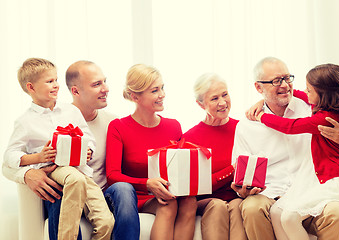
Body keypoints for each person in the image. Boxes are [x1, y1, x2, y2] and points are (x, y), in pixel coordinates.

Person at [231, 57, 339, 240]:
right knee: (253, 208)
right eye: (276, 81)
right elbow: (242, 170)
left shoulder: (315, 108)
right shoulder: (247, 126)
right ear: (258, 87)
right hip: (272, 192)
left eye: (288, 78)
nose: (286, 86)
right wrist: (243, 188)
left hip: (314, 189)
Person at [3, 60, 140, 240]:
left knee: (106, 222)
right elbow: (9, 157)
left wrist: (87, 150)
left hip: (81, 172)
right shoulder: (25, 121)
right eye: (49, 81)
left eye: (56, 80)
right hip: (55, 171)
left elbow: (87, 137)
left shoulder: (71, 112)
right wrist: (37, 158)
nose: (56, 85)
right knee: (73, 179)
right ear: (31, 87)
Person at [105, 64, 197, 240]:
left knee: (189, 201)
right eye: (155, 90)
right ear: (135, 96)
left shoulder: (173, 126)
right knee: (169, 204)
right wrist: (147, 183)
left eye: (162, 88)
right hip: (136, 197)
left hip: (168, 193)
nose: (162, 94)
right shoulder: (118, 126)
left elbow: (181, 169)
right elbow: (112, 175)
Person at [183, 73, 247, 240]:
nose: (223, 102)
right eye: (214, 98)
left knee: (237, 206)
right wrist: (232, 170)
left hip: (237, 197)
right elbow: (195, 186)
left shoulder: (243, 129)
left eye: (225, 94)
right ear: (200, 104)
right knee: (218, 206)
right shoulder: (190, 138)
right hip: (206, 200)